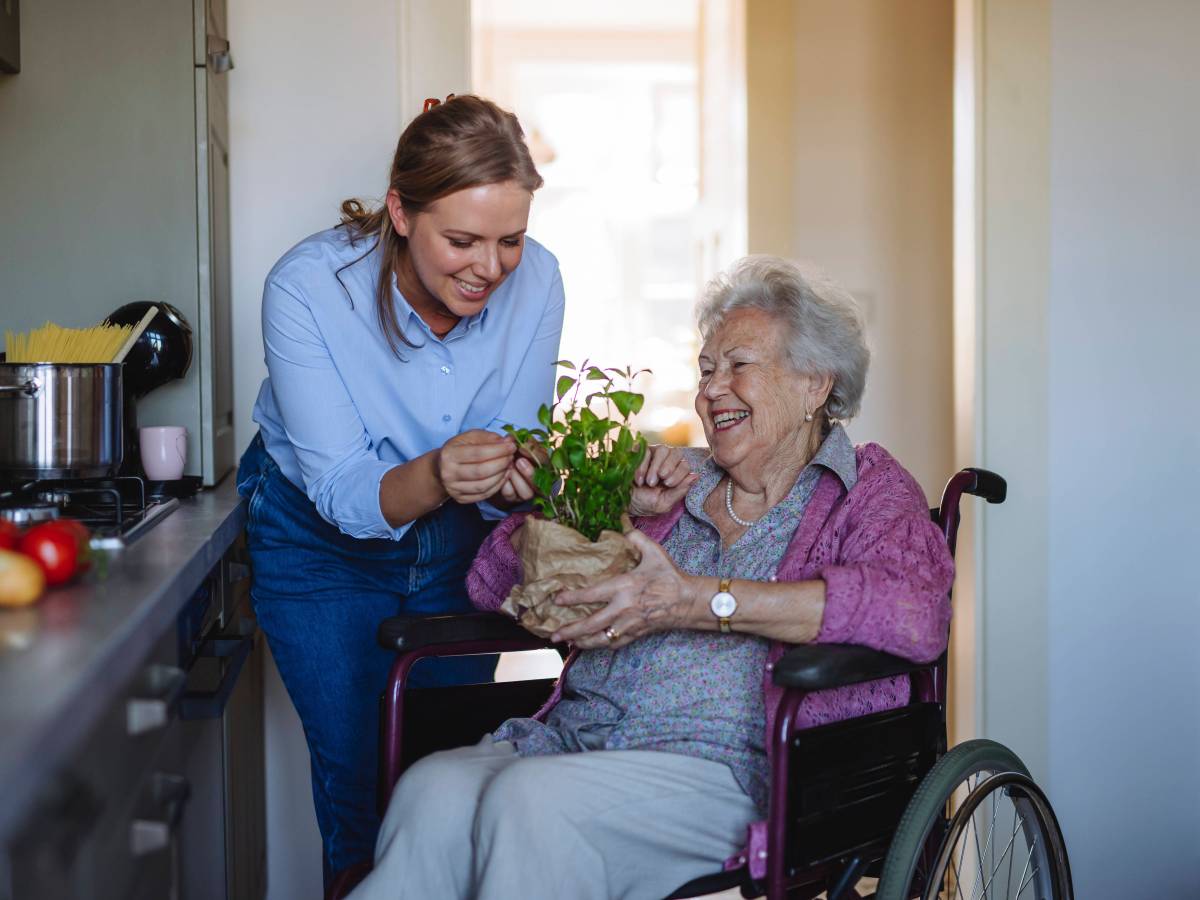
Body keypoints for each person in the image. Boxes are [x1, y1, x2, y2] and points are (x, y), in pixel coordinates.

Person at [348, 256, 957, 900]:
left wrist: (700, 600)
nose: (711, 389)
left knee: (533, 805)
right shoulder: (670, 480)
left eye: (738, 366)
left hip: (739, 769)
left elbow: (915, 614)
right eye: (705, 370)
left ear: (813, 384)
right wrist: (619, 516)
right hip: (577, 743)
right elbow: (494, 581)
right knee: (432, 792)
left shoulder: (865, 490)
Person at [235, 95, 572, 883]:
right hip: (320, 546)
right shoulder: (310, 289)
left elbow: (521, 432)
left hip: (457, 542)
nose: (490, 268)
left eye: (510, 241)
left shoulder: (541, 281)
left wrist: (519, 474)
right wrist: (438, 473)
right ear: (400, 211)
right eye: (462, 240)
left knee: (446, 783)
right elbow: (345, 489)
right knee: (363, 786)